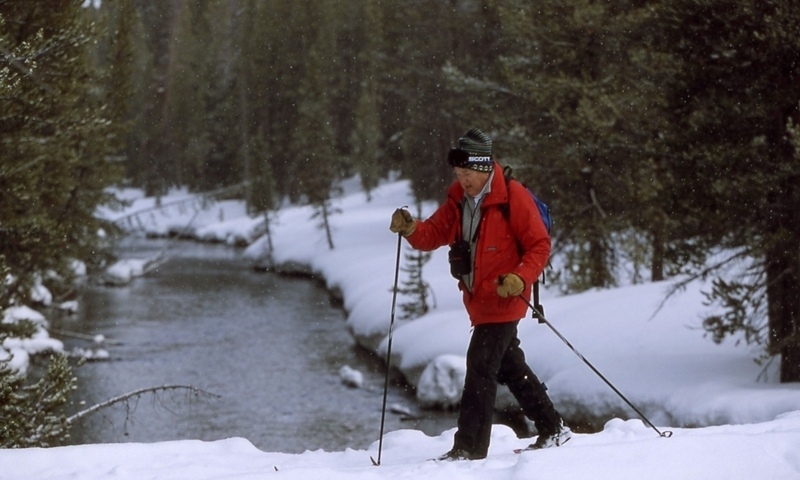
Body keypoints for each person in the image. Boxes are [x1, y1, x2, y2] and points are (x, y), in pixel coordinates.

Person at [389, 128, 571, 461]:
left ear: (484, 167)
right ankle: (553, 428)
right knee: (509, 366)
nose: (463, 180)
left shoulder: (513, 197)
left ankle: (469, 448)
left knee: (480, 365)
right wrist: (411, 228)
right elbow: (434, 233)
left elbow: (539, 245)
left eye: (468, 173)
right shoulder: (458, 199)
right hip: (478, 302)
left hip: (505, 298)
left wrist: (519, 278)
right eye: (459, 174)